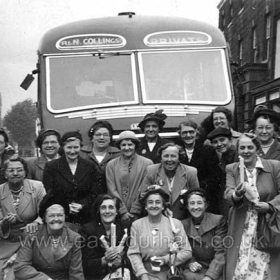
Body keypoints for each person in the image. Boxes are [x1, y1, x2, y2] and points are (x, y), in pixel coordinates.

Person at [224, 133, 280, 279]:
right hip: (242, 223)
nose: (246, 151)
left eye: (250, 147)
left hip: (266, 223)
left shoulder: (274, 167)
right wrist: (237, 194)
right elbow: (228, 193)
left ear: (258, 149)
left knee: (264, 266)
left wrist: (269, 206)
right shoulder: (232, 168)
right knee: (240, 265)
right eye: (242, 148)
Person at [127, 185, 192, 280]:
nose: (154, 206)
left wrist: (166, 259)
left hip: (170, 274)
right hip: (146, 273)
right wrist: (142, 274)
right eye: (150, 202)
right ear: (145, 206)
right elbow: (133, 254)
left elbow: (187, 251)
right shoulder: (137, 225)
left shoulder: (175, 224)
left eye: (158, 202)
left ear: (163, 206)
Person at [14, 194, 84, 280]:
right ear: (44, 218)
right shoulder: (32, 235)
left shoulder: (74, 237)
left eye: (60, 215)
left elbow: (76, 273)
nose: (56, 219)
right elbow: (20, 267)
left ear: (65, 217)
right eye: (51, 215)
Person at [0, 156, 46, 280]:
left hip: (32, 238)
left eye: (19, 170)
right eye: (11, 170)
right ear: (4, 174)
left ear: (25, 172)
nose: (15, 173)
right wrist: (4, 223)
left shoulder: (37, 187)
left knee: (28, 269)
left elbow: (45, 212)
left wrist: (36, 222)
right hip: (7, 241)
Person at [43, 131, 99, 228]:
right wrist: (66, 206)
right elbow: (49, 192)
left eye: (76, 147)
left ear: (80, 147)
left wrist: (82, 205)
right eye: (69, 147)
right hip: (61, 217)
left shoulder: (90, 166)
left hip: (85, 217)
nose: (72, 151)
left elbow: (95, 192)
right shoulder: (51, 167)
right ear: (63, 147)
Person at [139, 143, 199, 219]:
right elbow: (142, 197)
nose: (169, 159)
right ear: (161, 158)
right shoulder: (151, 170)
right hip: (158, 218)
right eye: (166, 156)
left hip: (183, 219)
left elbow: (196, 198)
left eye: (173, 156)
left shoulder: (191, 172)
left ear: (179, 158)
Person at [80, 194, 132, 280]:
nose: (107, 211)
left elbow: (133, 256)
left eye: (111, 207)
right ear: (98, 211)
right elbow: (86, 264)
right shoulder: (87, 230)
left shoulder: (126, 227)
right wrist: (104, 260)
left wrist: (122, 262)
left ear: (117, 211)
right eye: (103, 208)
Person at [106, 131, 153, 222]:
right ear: (119, 146)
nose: (127, 148)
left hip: (141, 213)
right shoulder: (111, 165)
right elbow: (111, 190)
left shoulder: (147, 163)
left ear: (135, 145)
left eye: (130, 144)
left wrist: (136, 210)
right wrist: (122, 211)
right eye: (123, 145)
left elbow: (145, 189)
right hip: (118, 213)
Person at [181, 188, 227, 280]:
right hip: (195, 270)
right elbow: (182, 249)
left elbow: (221, 252)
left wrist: (210, 276)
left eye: (199, 203)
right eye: (192, 203)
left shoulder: (217, 221)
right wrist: (190, 262)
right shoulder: (183, 224)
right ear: (187, 206)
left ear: (206, 205)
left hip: (215, 269)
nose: (196, 207)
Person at [177, 120, 221, 214]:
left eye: (191, 132)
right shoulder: (176, 151)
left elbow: (214, 176)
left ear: (196, 133)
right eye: (184, 132)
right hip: (180, 197)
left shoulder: (208, 151)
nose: (188, 135)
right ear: (180, 134)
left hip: (203, 195)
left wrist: (196, 190)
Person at [80, 120, 120, 193]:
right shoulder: (81, 153)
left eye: (105, 135)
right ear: (92, 137)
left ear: (110, 138)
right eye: (98, 135)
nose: (102, 138)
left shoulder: (118, 154)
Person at [207, 127, 238, 216]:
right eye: (215, 142)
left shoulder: (238, 155)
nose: (219, 144)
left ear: (230, 140)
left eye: (222, 140)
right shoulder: (222, 157)